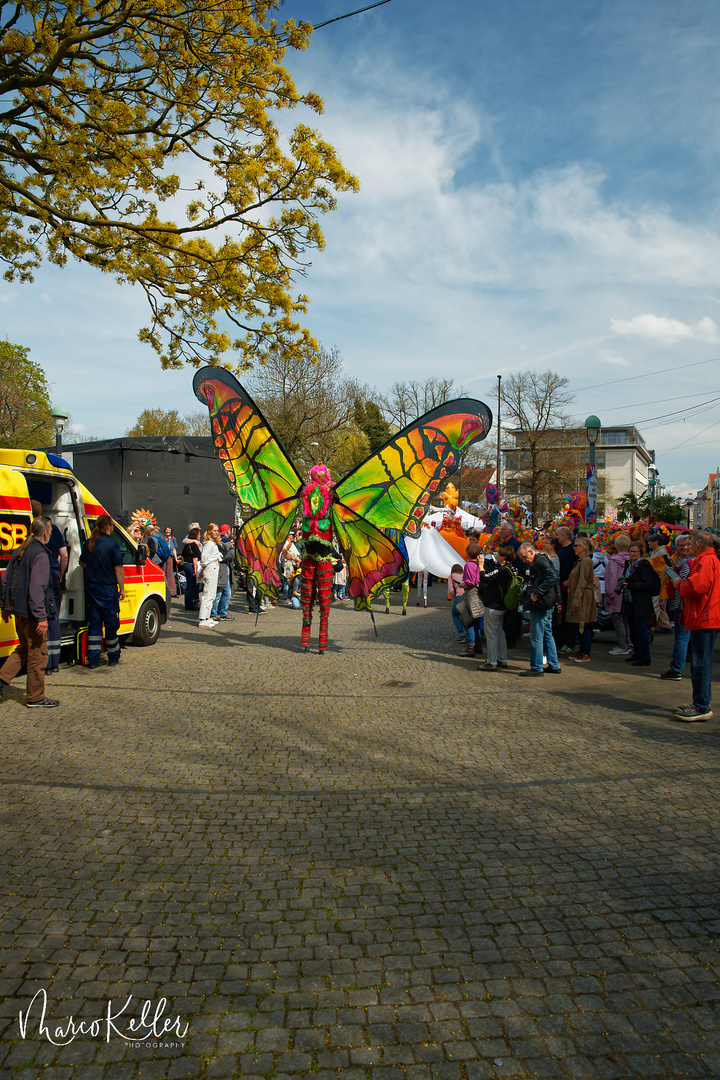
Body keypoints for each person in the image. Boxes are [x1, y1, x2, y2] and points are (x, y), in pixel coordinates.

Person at [0, 516, 59, 707]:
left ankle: (1, 680)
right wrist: (41, 617)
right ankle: (36, 697)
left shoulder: (21, 550)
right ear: (45, 532)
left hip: (19, 611)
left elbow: (5, 580)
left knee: (24, 648)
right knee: (38, 654)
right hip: (33, 614)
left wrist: (5, 606)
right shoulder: (40, 554)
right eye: (50, 530)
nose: (50, 533)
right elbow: (36, 588)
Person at [672, 530, 720, 721]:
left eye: (690, 544)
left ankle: (702, 706)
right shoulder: (710, 559)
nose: (687, 547)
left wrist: (679, 584)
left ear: (697, 545)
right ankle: (700, 702)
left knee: (701, 662)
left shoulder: (706, 561)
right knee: (701, 661)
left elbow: (695, 587)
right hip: (704, 615)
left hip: (704, 616)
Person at [79, 514, 125, 668]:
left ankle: (93, 659)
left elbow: (82, 563)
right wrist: (122, 590)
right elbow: (118, 570)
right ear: (108, 526)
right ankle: (113, 656)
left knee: (95, 623)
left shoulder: (89, 543)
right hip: (108, 589)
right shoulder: (112, 545)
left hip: (92, 588)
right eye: (111, 525)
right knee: (111, 623)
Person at [30, 499, 68, 675]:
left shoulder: (31, 532)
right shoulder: (52, 529)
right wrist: (60, 575)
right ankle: (53, 662)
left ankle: (42, 660)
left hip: (36, 577)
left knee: (40, 618)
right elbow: (64, 555)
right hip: (52, 574)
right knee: (53, 619)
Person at [517, 541, 561, 677]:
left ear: (531, 551)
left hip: (542, 603)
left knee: (536, 636)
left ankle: (536, 667)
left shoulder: (540, 561)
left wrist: (537, 592)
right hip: (547, 602)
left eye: (525, 557)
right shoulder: (541, 560)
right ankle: (554, 665)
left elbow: (553, 577)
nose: (525, 561)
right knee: (547, 634)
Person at [621, 540, 660, 667]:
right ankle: (637, 652)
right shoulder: (629, 564)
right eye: (631, 551)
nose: (632, 554)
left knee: (641, 629)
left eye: (635, 552)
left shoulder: (644, 565)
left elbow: (647, 584)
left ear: (641, 553)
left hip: (640, 602)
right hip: (629, 600)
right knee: (633, 629)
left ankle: (645, 656)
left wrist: (630, 585)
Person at [659, 534, 693, 681]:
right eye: (680, 545)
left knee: (682, 639)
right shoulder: (673, 558)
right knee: (684, 638)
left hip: (685, 604)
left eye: (686, 545)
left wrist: (673, 573)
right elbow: (666, 580)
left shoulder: (692, 562)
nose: (684, 547)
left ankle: (677, 669)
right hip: (678, 602)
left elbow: (680, 582)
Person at [477, 545, 514, 671]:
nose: (496, 556)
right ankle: (502, 659)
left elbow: (485, 578)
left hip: (493, 604)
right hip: (503, 604)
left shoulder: (502, 569)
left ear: (504, 557)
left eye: (498, 554)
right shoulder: (513, 569)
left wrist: (481, 566)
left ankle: (491, 661)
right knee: (499, 632)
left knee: (491, 633)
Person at [565, 536, 597, 663]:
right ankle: (582, 650)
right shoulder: (581, 561)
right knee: (579, 624)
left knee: (583, 624)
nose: (574, 548)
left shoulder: (585, 561)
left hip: (584, 597)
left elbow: (582, 582)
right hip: (579, 595)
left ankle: (586, 652)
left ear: (583, 548)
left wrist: (576, 601)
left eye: (576, 546)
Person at [604, 534, 632, 656]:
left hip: (617, 593)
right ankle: (628, 643)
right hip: (628, 593)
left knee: (618, 620)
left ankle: (622, 645)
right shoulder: (631, 559)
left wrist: (610, 595)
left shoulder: (614, 560)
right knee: (626, 620)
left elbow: (611, 578)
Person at [554, 526, 578, 653]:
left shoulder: (572, 549)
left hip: (568, 587)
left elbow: (576, 567)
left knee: (569, 616)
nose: (556, 537)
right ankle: (560, 641)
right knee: (560, 616)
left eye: (557, 535)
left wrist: (568, 581)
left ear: (564, 536)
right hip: (559, 587)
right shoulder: (560, 550)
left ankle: (570, 643)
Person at [460, 542, 484, 657]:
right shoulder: (480, 565)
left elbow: (470, 582)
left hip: (472, 594)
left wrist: (461, 585)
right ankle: (478, 646)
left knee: (468, 621)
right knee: (476, 622)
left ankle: (471, 647)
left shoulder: (469, 565)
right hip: (479, 595)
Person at [198, 522, 222, 628]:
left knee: (212, 595)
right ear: (209, 531)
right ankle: (203, 619)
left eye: (217, 531)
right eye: (214, 530)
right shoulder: (209, 544)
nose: (216, 533)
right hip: (210, 569)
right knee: (207, 594)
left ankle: (207, 617)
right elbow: (204, 560)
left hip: (214, 569)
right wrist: (215, 557)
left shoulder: (212, 543)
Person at [211, 525, 235, 621]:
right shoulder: (225, 541)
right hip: (222, 571)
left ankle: (220, 612)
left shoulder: (220, 542)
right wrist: (233, 549)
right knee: (221, 593)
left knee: (223, 593)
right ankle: (217, 613)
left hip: (223, 571)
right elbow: (225, 556)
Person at [182, 527, 202, 611]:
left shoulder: (187, 544)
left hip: (186, 564)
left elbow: (183, 555)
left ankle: (188, 603)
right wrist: (195, 568)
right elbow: (195, 558)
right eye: (199, 534)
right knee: (191, 585)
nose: (200, 536)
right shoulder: (194, 545)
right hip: (191, 565)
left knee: (188, 585)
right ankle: (190, 604)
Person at [447, 563, 467, 641]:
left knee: (455, 615)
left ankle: (461, 633)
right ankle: (469, 633)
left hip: (458, 596)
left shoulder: (451, 576)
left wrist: (453, 598)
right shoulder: (465, 575)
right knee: (466, 616)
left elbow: (451, 590)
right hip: (467, 596)